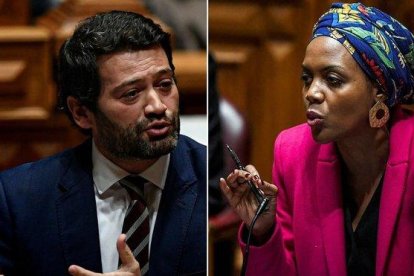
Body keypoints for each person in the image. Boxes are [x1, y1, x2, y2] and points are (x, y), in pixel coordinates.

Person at [0, 11, 206, 275]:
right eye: (131, 94)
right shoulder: (21, 200)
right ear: (81, 113)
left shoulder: (212, 182)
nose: (157, 106)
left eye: (165, 85)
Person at [220, 3, 414, 275]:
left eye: (332, 80)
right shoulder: (293, 153)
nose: (312, 93)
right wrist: (263, 231)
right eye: (307, 78)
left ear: (378, 91)